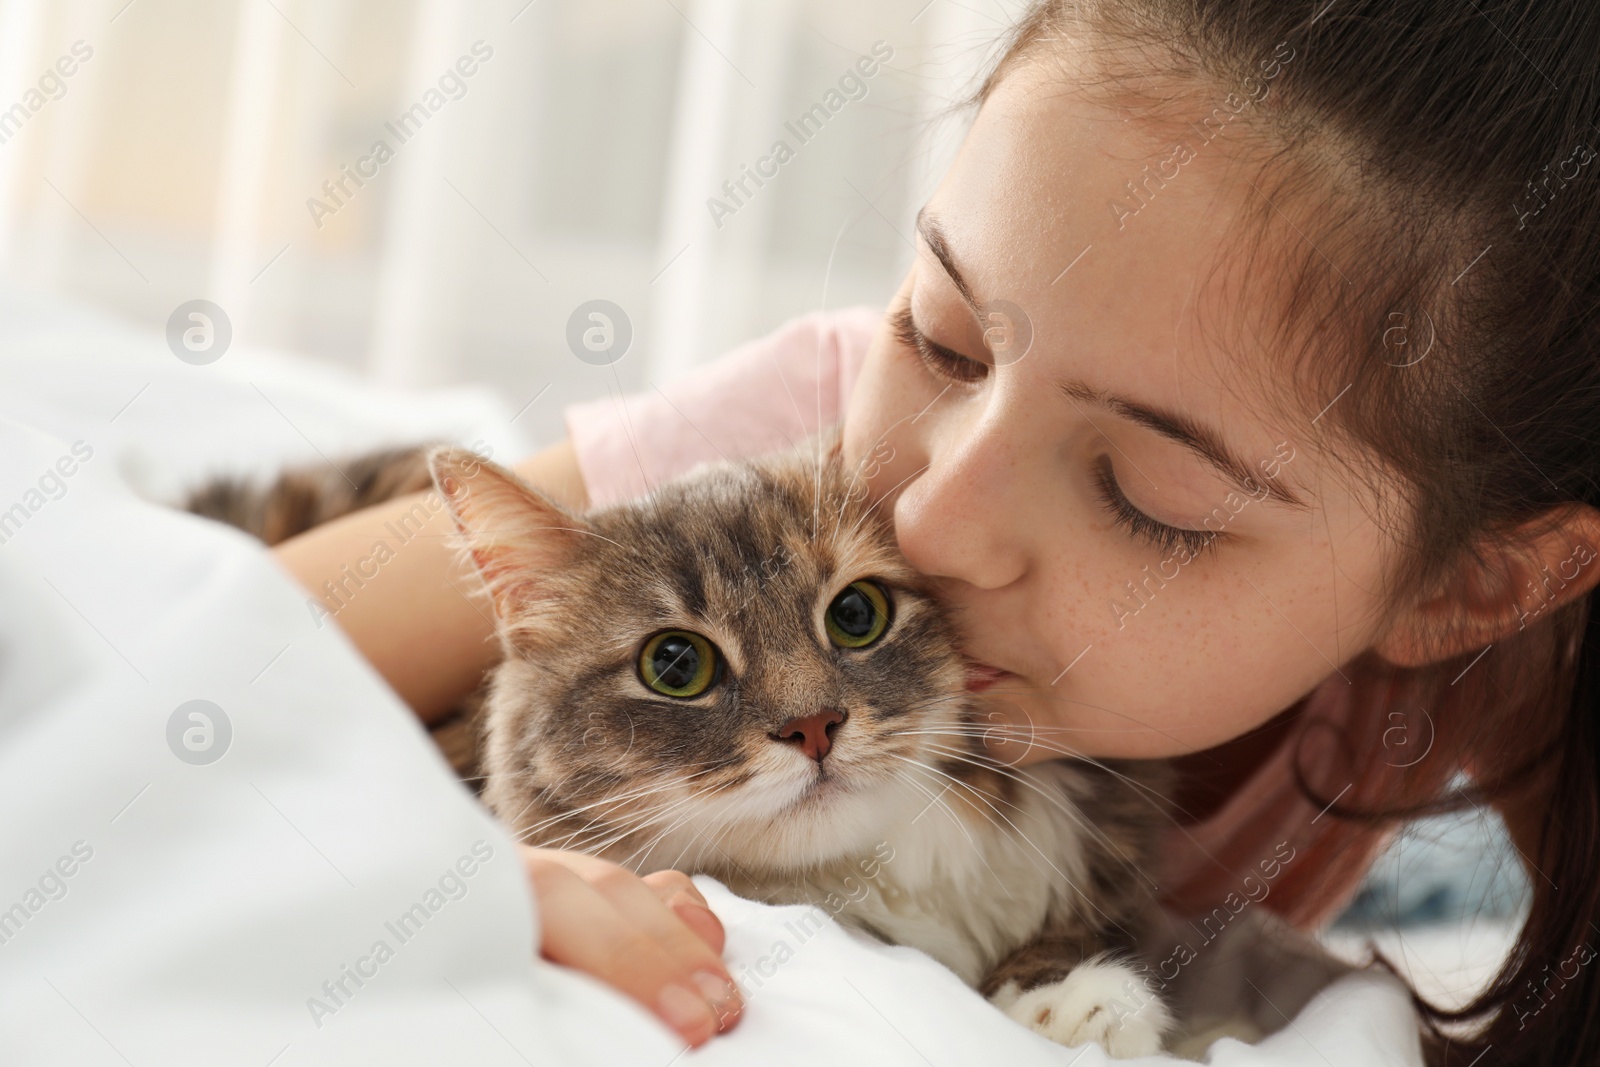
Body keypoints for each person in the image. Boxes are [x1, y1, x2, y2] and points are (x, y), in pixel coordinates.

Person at [273, 1, 1600, 1061]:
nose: (933, 519)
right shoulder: (803, 456)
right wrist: (451, 877)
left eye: (1150, 499)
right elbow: (200, 667)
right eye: (947, 339)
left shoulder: (1506, 643)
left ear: (1474, 588)